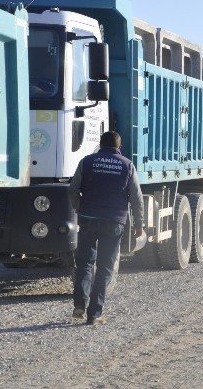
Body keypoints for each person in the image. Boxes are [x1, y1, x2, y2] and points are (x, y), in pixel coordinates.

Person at [68, 131, 144, 325]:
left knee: (84, 262)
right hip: (114, 222)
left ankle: (79, 305)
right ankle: (94, 314)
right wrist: (138, 225)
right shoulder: (127, 165)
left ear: (100, 145)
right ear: (119, 147)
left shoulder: (87, 161)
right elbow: (136, 198)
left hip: (88, 218)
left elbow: (73, 188)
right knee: (104, 268)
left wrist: (78, 207)